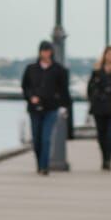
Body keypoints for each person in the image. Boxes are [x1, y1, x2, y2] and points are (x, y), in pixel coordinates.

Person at [22, 40, 72, 174]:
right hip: (34, 109)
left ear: (52, 52)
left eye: (48, 50)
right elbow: (25, 87)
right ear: (39, 52)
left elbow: (64, 90)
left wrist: (64, 106)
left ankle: (44, 166)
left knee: (46, 138)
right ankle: (39, 164)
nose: (46, 53)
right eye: (43, 50)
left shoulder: (59, 70)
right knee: (36, 139)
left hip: (51, 108)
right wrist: (31, 97)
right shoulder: (31, 69)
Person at [87, 45, 111, 170]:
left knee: (110, 134)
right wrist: (93, 99)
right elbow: (90, 88)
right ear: (104, 55)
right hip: (99, 108)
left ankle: (108, 160)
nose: (110, 56)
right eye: (108, 53)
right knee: (101, 135)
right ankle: (104, 157)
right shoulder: (97, 71)